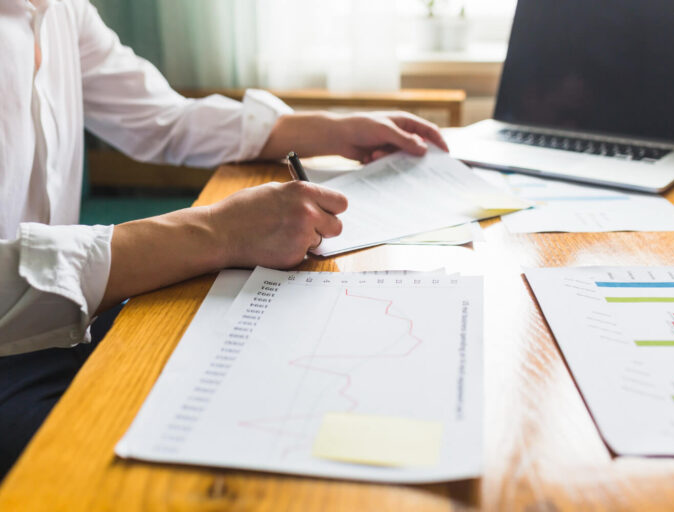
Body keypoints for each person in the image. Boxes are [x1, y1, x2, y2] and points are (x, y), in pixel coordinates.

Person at [0, 0, 449, 478]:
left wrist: (328, 129)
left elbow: (162, 118)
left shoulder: (58, 8)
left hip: (75, 318)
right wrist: (218, 231)